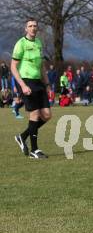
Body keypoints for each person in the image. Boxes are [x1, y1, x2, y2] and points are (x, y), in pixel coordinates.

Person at [11, 18, 51, 159]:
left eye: (35, 26)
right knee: (34, 114)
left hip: (38, 82)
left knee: (46, 115)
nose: (33, 28)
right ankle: (35, 150)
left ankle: (22, 136)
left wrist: (47, 84)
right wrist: (22, 85)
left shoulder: (39, 43)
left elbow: (42, 67)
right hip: (26, 81)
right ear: (26, 29)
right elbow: (13, 67)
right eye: (30, 26)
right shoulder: (20, 44)